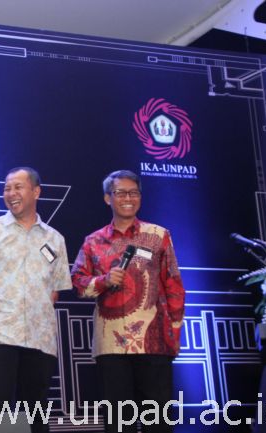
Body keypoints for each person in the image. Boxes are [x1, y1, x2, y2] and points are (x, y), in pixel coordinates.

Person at [71, 170, 185, 433]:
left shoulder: (158, 235)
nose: (128, 198)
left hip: (154, 342)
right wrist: (104, 280)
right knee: (119, 424)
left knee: (158, 423)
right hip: (111, 345)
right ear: (107, 198)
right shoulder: (93, 241)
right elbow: (78, 283)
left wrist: (174, 332)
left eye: (134, 193)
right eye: (120, 193)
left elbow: (174, 285)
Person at [0, 167, 71, 433]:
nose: (11, 193)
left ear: (36, 191)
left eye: (18, 187)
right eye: (7, 188)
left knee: (35, 415)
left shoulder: (55, 239)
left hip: (40, 338)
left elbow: (54, 291)